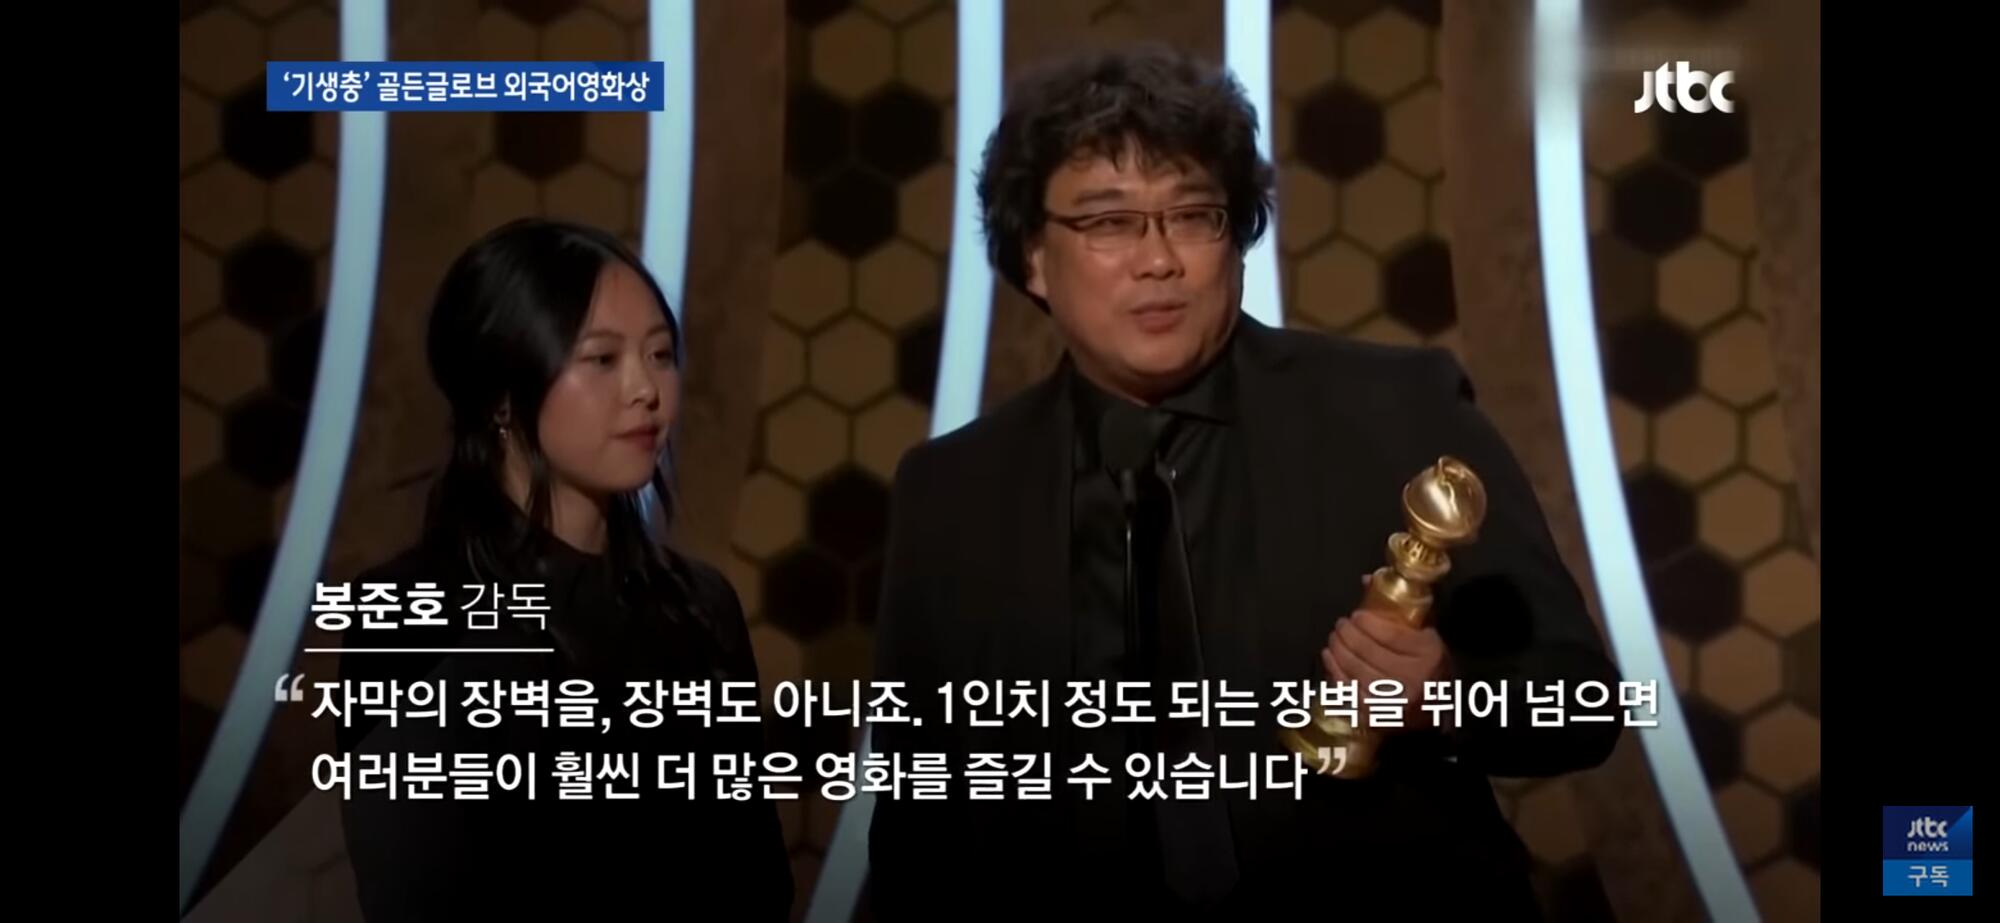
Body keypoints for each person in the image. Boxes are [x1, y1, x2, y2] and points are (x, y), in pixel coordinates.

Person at [866, 45, 1621, 920]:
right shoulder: (952, 491)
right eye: (1109, 222)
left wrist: (1449, 700)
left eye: (1193, 216)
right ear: (1033, 255)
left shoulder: (1399, 411)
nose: (1159, 260)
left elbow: (1581, 701)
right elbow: (919, 824)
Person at [335, 219, 792, 921]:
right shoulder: (410, 613)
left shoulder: (699, 605)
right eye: (602, 359)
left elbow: (758, 882)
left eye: (660, 354)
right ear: (501, 395)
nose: (646, 389)